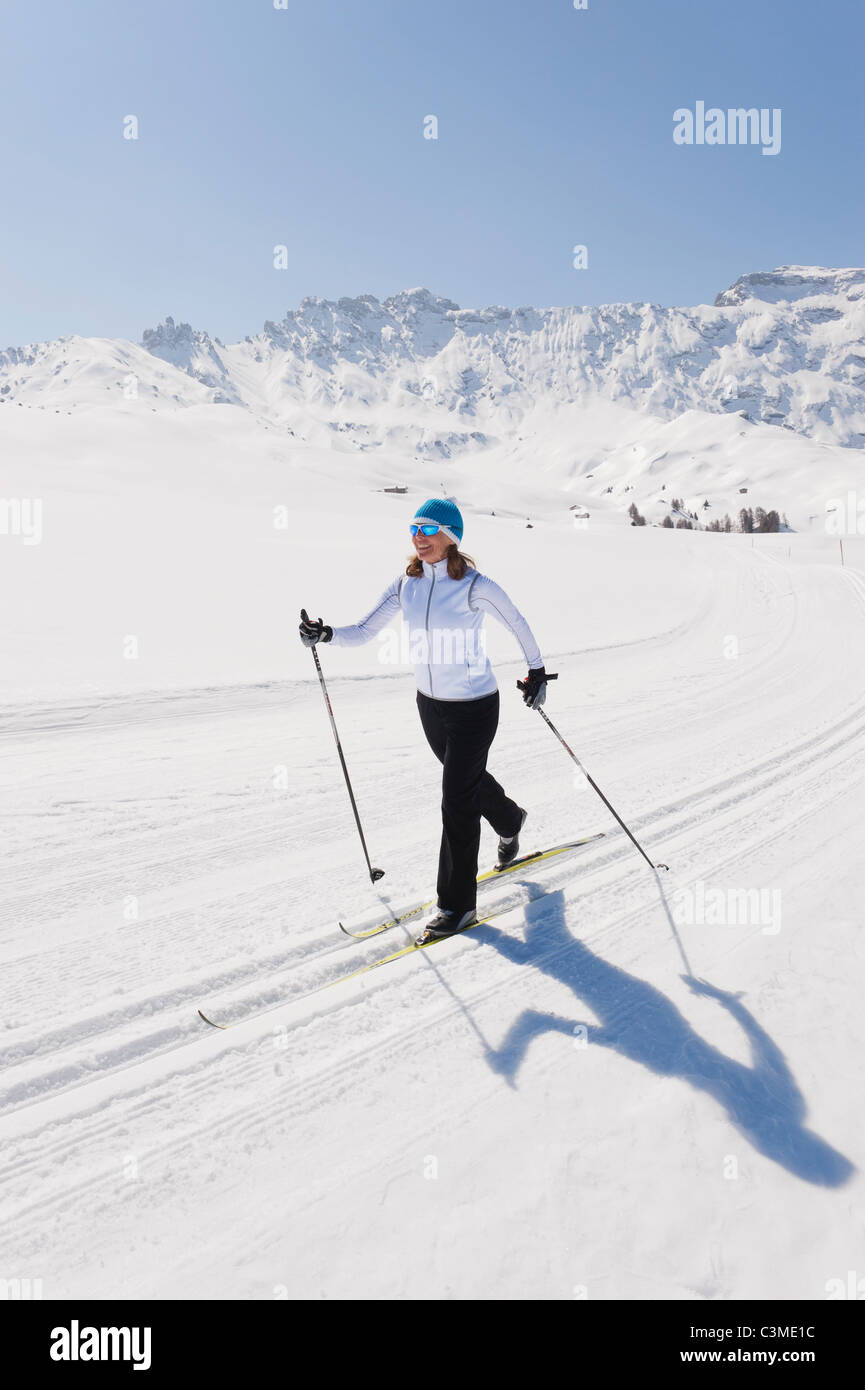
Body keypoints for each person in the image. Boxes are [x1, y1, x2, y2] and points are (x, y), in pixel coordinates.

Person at [299, 499, 549, 945]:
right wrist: (327, 633)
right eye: (413, 528)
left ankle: (456, 905)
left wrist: (535, 671)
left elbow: (517, 621)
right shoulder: (406, 584)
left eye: (428, 528)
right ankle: (510, 819)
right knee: (466, 782)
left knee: (456, 799)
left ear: (450, 536)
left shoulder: (475, 585)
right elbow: (365, 629)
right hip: (431, 707)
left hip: (475, 706)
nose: (418, 536)